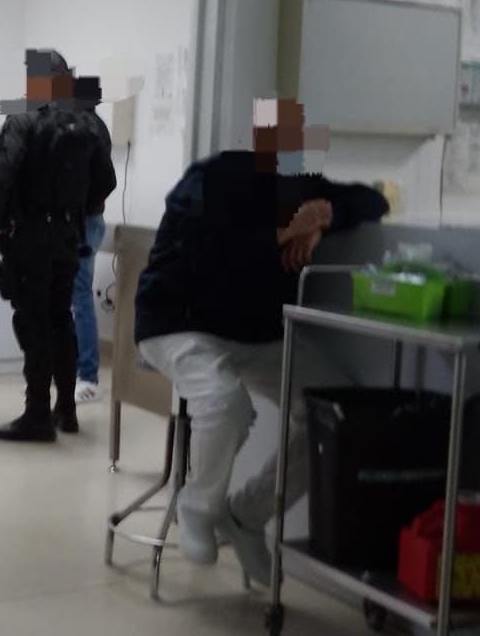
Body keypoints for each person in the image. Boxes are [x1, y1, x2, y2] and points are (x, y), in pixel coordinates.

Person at [134, 98, 388, 584]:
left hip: (256, 334)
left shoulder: (303, 188)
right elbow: (204, 255)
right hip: (179, 323)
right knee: (226, 403)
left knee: (338, 416)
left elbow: (373, 201)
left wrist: (325, 216)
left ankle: (246, 515)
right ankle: (198, 506)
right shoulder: (212, 178)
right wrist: (282, 232)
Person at [0, 50, 116, 442]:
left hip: (29, 238)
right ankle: (66, 409)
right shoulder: (87, 122)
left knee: (33, 321)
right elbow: (106, 182)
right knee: (61, 318)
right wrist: (76, 212)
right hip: (69, 238)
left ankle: (37, 412)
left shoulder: (23, 119)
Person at [72, 83, 113, 405]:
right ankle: (75, 371)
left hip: (84, 221)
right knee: (74, 296)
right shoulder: (89, 125)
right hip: (81, 220)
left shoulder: (89, 128)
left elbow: (105, 181)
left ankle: (87, 377)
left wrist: (80, 203)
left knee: (80, 296)